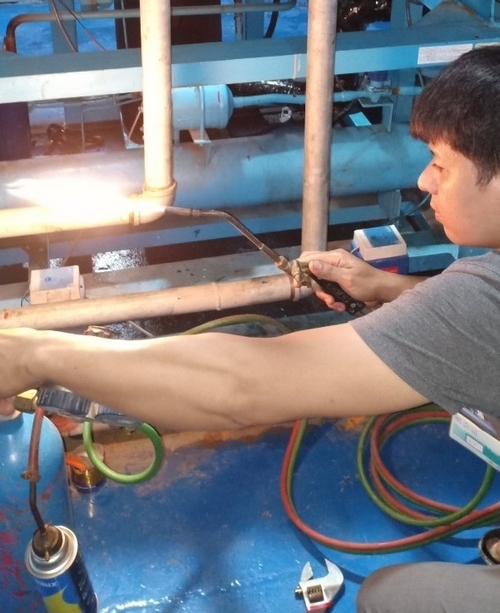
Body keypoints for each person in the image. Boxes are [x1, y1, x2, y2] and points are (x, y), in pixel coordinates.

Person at [1, 46, 500, 612]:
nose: (424, 179)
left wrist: (35, 356)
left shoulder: (482, 301)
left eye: (441, 164)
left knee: (389, 599)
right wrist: (389, 289)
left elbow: (242, 387)